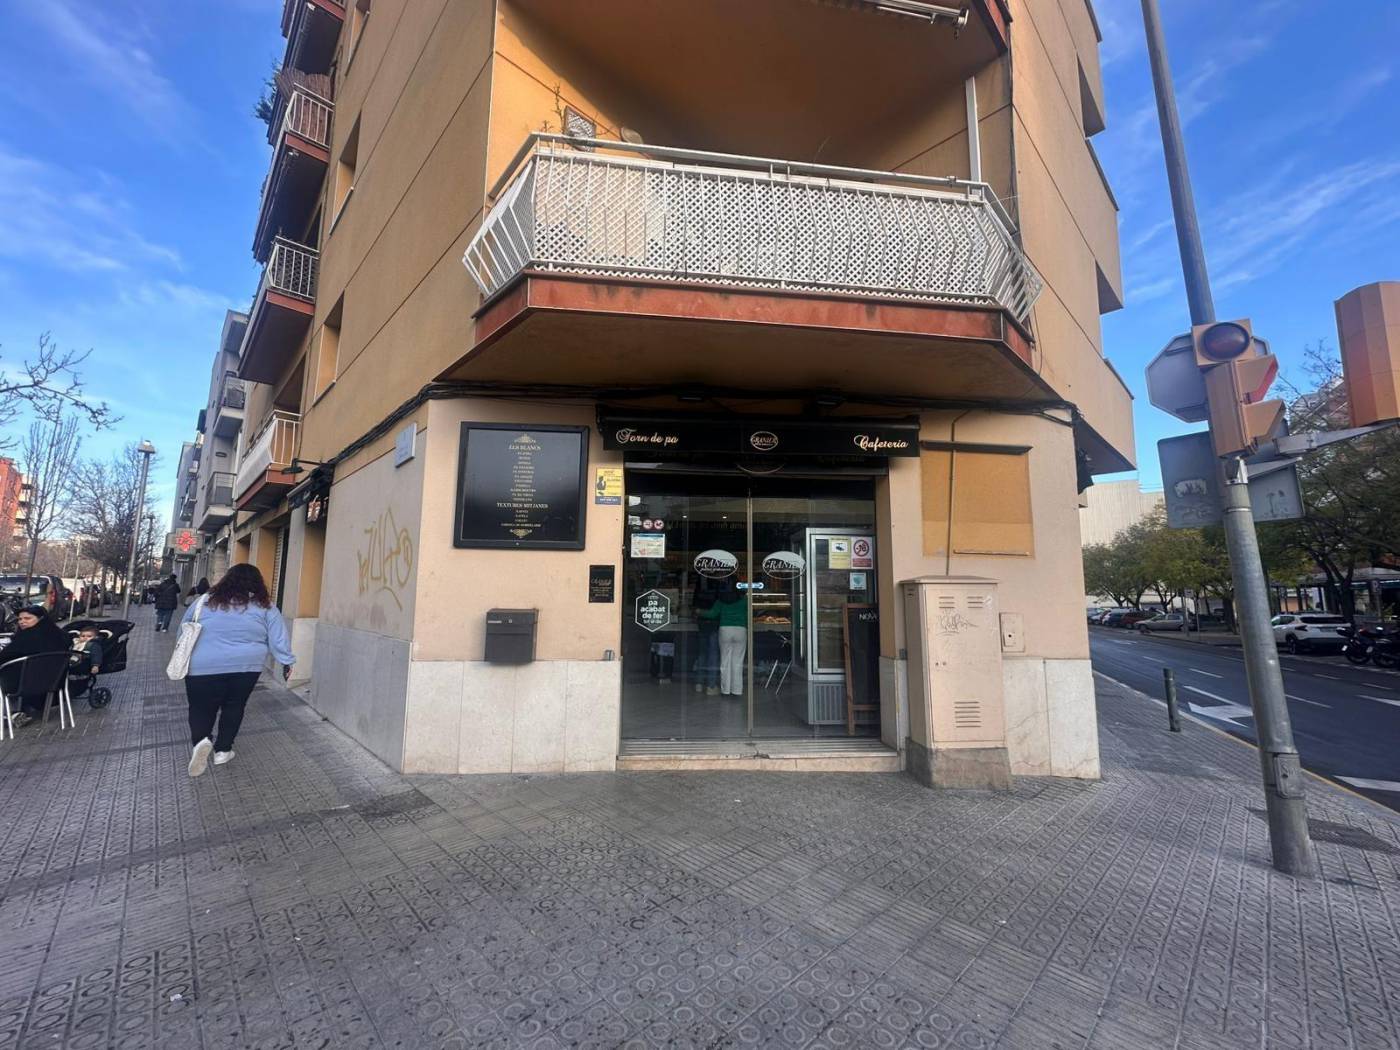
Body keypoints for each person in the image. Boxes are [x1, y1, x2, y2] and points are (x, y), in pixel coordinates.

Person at [180, 563, 294, 777]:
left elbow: (184, 630)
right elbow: (278, 639)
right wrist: (287, 662)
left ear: (227, 580)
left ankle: (201, 741)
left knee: (201, 708)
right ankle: (223, 751)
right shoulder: (265, 606)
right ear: (257, 583)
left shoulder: (204, 601)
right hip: (246, 666)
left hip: (203, 665)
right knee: (234, 706)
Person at [1, 606, 71, 726]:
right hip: (54, 683)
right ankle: (14, 713)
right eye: (20, 619)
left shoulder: (26, 638)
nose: (22, 622)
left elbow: (4, 656)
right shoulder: (60, 636)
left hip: (23, 685)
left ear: (40, 618)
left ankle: (8, 714)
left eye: (27, 618)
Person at [698, 582, 748, 697]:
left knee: (725, 660)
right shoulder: (744, 600)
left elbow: (712, 614)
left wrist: (699, 611)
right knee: (738, 661)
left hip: (725, 629)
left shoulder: (722, 599)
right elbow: (748, 614)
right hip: (740, 629)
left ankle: (725, 690)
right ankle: (736, 690)